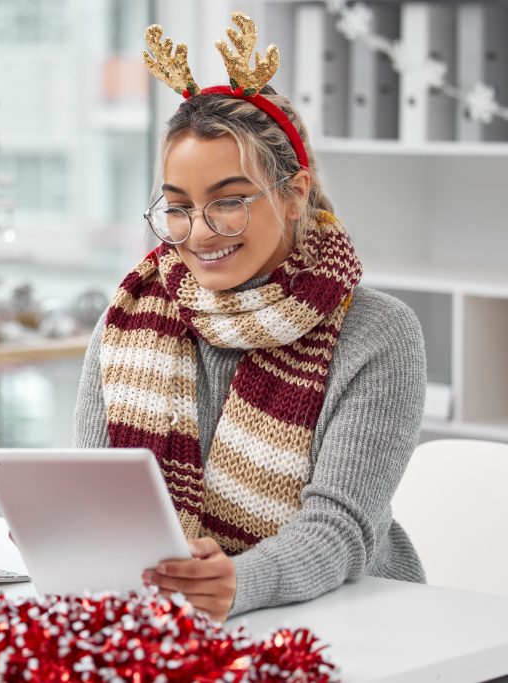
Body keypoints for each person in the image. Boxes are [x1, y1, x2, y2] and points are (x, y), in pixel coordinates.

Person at [73, 12, 427, 621]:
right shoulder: (129, 317)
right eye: (178, 208)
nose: (199, 233)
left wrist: (238, 581)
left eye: (229, 202)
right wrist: (65, 531)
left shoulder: (377, 333)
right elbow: (92, 491)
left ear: (293, 195)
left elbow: (339, 529)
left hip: (354, 617)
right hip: (176, 613)